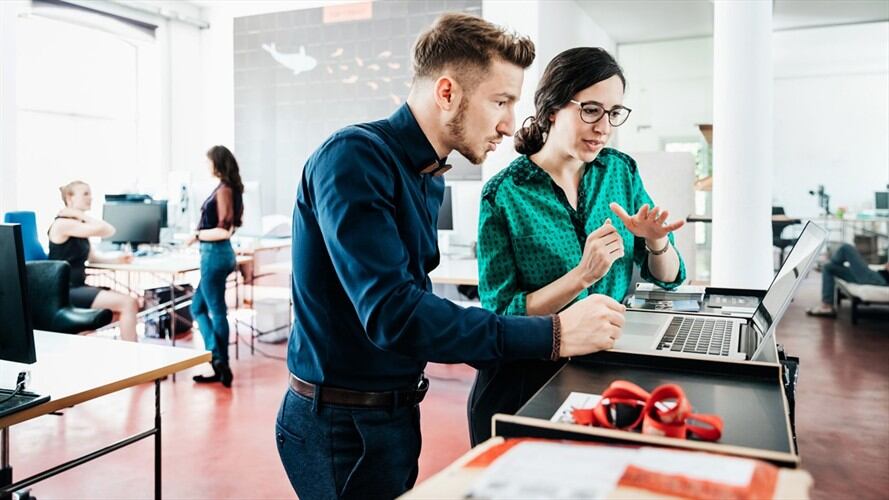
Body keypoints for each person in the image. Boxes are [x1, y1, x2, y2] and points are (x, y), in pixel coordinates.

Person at [276, 13, 626, 499]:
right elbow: (394, 315)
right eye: (500, 101)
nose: (509, 124)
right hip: (341, 427)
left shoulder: (428, 174)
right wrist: (555, 333)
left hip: (391, 414)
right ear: (447, 92)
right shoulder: (353, 158)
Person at [468, 47, 688, 445]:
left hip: (605, 370)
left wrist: (657, 242)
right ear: (552, 108)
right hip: (526, 381)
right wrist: (582, 276)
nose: (604, 127)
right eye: (590, 110)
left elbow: (669, 278)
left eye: (614, 112)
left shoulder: (619, 171)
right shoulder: (503, 194)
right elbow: (501, 312)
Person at [48, 181, 140, 341]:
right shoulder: (62, 224)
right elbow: (108, 230)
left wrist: (118, 260)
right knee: (129, 303)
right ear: (69, 198)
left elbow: (93, 258)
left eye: (90, 193)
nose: (90, 197)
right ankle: (133, 356)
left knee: (118, 313)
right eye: (85, 194)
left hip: (77, 287)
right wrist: (79, 214)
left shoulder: (77, 226)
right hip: (65, 290)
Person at [187, 145, 243, 388]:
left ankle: (220, 360)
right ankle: (218, 360)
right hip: (219, 255)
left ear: (217, 163)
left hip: (215, 255)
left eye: (208, 161)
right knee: (197, 307)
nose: (206, 165)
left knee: (216, 311)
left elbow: (223, 230)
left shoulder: (224, 190)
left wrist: (197, 235)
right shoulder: (229, 189)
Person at [807, 243, 888, 318]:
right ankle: (827, 306)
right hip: (876, 276)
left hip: (877, 279)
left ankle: (831, 262)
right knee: (828, 267)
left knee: (846, 248)